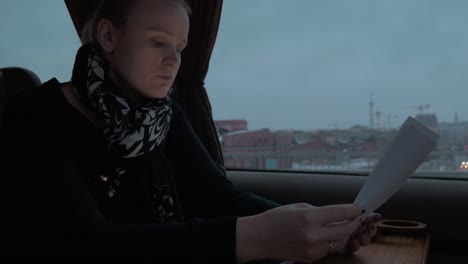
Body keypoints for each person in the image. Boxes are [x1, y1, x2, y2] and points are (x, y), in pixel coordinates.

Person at [0, 0, 381, 262]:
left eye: (180, 47)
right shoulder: (31, 118)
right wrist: (255, 237)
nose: (172, 61)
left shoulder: (163, 115)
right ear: (109, 36)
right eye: (157, 41)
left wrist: (320, 229)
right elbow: (87, 247)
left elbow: (218, 197)